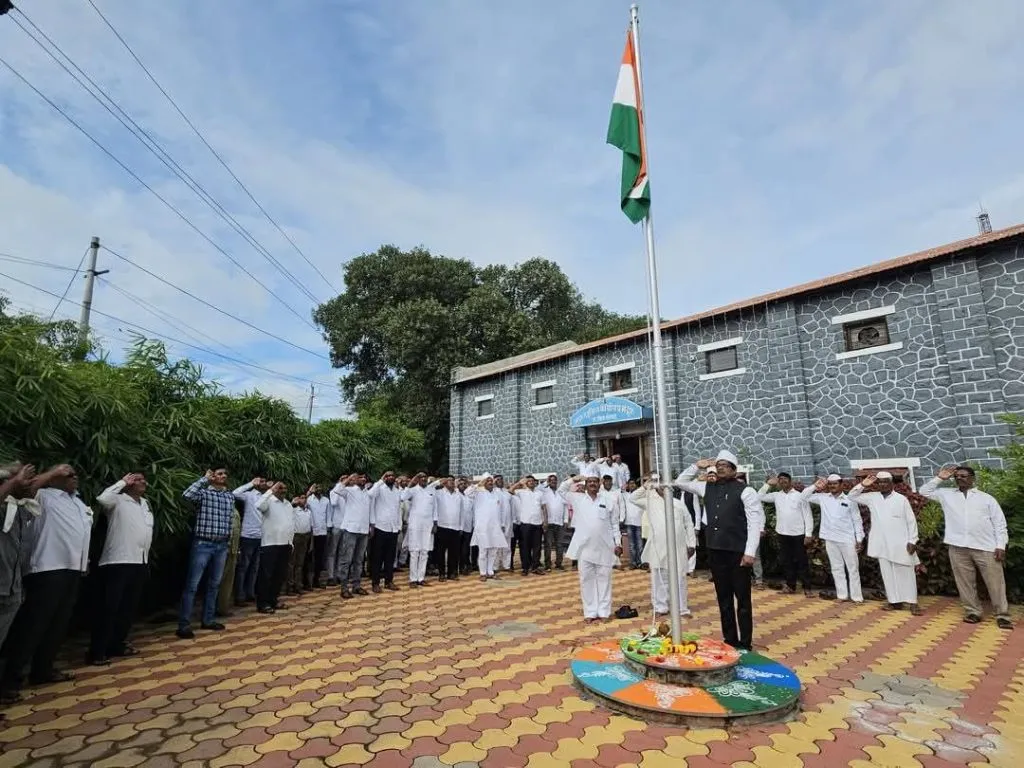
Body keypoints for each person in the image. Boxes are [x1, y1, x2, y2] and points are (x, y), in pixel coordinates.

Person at [1, 464, 91, 693]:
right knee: (34, 625)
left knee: (58, 624)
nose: (74, 477)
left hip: (72, 568)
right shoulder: (44, 495)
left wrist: (83, 561)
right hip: (47, 568)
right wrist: (52, 473)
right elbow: (26, 487)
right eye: (68, 475)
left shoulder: (78, 503)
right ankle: (12, 677)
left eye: (75, 475)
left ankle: (43, 669)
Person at [674, 451, 764, 650]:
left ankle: (745, 642)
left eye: (725, 465)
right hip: (716, 551)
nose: (721, 467)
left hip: (737, 552)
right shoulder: (707, 487)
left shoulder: (746, 491)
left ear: (733, 469)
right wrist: (697, 466)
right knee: (723, 598)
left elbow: (754, 523)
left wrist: (750, 552)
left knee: (742, 599)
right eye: (719, 464)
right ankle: (730, 639)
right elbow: (679, 482)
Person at [919, 465, 1011, 629]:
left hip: (986, 547)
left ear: (972, 478)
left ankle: (1002, 615)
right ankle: (973, 612)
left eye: (964, 476)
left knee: (995, 582)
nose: (960, 478)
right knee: (965, 582)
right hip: (958, 547)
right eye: (957, 476)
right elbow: (924, 491)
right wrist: (940, 478)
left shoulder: (986, 498)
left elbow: (999, 524)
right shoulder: (947, 495)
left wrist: (1000, 545)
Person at [89, 472, 153, 666]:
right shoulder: (117, 500)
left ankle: (117, 644)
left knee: (128, 608)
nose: (142, 482)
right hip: (118, 561)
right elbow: (102, 498)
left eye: (143, 480)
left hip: (140, 560)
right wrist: (122, 482)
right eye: (137, 479)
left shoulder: (145, 504)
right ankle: (97, 651)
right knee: (109, 607)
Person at [848, 473, 922, 615]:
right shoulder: (872, 497)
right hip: (881, 543)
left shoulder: (901, 499)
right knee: (887, 574)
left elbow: (911, 521)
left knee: (906, 573)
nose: (882, 485)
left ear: (892, 483)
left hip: (901, 543)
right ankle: (894, 602)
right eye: (879, 483)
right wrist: (863, 484)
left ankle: (913, 603)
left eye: (885, 482)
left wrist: (913, 540)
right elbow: (852, 496)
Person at [0, 463, 41, 705]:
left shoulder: (23, 510)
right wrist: (13, 481)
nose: (30, 484)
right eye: (25, 480)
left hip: (13, 588)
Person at [561, 470, 621, 622]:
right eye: (589, 481)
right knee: (586, 580)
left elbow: (615, 524)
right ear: (585, 484)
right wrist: (574, 478)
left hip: (605, 547)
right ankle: (590, 612)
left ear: (599, 483)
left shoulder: (609, 500)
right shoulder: (577, 498)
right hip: (584, 548)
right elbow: (562, 490)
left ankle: (604, 612)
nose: (593, 484)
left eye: (595, 481)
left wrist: (618, 543)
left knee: (604, 580)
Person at [632, 480, 695, 617]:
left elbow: (688, 524)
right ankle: (661, 607)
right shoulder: (650, 502)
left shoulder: (678, 504)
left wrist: (691, 544)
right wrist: (645, 486)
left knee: (680, 578)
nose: (662, 488)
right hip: (658, 547)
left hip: (678, 547)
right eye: (659, 486)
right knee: (659, 577)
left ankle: (682, 609)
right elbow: (633, 498)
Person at [802, 474, 864, 602]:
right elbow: (803, 496)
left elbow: (857, 520)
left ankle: (857, 597)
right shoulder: (823, 498)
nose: (832, 486)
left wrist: (859, 538)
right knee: (836, 567)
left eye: (835, 484)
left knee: (852, 568)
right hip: (830, 538)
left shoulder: (850, 499)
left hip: (847, 539)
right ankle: (842, 595)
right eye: (830, 484)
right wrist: (815, 486)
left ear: (841, 485)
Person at [758, 472, 815, 596]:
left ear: (790, 481)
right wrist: (767, 484)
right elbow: (759, 496)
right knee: (786, 561)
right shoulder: (776, 495)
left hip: (798, 534)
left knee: (802, 561)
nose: (782, 481)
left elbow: (808, 515)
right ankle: (790, 586)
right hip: (782, 533)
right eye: (780, 480)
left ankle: (807, 588)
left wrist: (808, 534)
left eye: (785, 479)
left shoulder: (800, 496)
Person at [255, 481, 295, 614]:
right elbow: (258, 505)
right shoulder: (268, 501)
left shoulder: (288, 504)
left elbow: (291, 523)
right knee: (266, 575)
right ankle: (263, 603)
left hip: (286, 543)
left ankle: (273, 599)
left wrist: (291, 542)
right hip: (270, 543)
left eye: (284, 488)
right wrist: (269, 491)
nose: (282, 490)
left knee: (279, 574)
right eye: (279, 488)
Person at [335, 473, 372, 598]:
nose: (362, 479)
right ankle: (344, 588)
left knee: (359, 560)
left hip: (363, 530)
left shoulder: (367, 493)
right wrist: (348, 480)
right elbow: (337, 490)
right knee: (347, 559)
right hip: (350, 529)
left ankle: (356, 586)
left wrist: (371, 526)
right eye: (360, 477)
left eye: (364, 477)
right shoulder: (349, 491)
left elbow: (369, 511)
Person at [232, 476, 266, 606]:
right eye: (260, 481)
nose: (263, 483)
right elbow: (235, 493)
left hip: (262, 536)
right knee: (243, 567)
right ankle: (239, 595)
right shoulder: (249, 495)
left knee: (255, 567)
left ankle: (250, 593)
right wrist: (250, 483)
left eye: (264, 481)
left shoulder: (267, 497)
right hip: (248, 535)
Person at [468, 475, 507, 580]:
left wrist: (502, 524)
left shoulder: (497, 494)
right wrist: (478, 484)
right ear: (484, 482)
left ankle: (490, 571)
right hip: (482, 527)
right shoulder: (478, 492)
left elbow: (502, 510)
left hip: (495, 526)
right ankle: (482, 573)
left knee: (493, 550)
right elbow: (467, 493)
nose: (490, 482)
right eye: (487, 480)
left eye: (491, 480)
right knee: (483, 551)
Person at [368, 471, 401, 593]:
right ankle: (375, 583)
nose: (391, 477)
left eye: (393, 475)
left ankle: (389, 581)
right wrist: (380, 480)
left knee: (390, 557)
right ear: (384, 477)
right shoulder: (379, 488)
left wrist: (398, 526)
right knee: (377, 557)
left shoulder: (397, 491)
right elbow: (370, 494)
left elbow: (397, 509)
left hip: (393, 528)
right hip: (380, 527)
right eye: (388, 475)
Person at [402, 473, 437, 588]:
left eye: (425, 479)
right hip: (415, 524)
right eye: (421, 478)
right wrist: (412, 481)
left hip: (428, 525)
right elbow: (403, 497)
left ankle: (421, 578)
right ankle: (413, 579)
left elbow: (435, 508)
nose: (423, 480)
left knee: (424, 551)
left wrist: (435, 523)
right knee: (414, 551)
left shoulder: (431, 490)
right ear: (417, 480)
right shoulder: (413, 490)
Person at [508, 476, 545, 575]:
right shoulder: (521, 492)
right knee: (525, 547)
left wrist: (545, 521)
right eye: (529, 481)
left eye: (533, 481)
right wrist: (519, 483)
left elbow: (543, 507)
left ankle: (535, 567)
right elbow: (510, 490)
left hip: (538, 523)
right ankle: (525, 568)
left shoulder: (540, 493)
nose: (531, 482)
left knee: (537, 547)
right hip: (525, 524)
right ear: (526, 483)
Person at [433, 476, 463, 581]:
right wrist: (435, 522)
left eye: (452, 481)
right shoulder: (439, 493)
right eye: (448, 481)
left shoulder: (458, 495)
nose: (451, 482)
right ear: (445, 483)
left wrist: (461, 527)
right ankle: (442, 573)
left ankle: (452, 573)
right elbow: (435, 508)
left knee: (454, 552)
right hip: (442, 526)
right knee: (441, 552)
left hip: (455, 527)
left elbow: (461, 511)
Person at [217, 502, 241, 618]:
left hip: (233, 550)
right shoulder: (218, 509)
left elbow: (237, 530)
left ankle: (223, 607)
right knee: (217, 580)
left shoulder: (235, 510)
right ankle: (214, 609)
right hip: (222, 549)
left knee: (228, 581)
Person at [541, 474, 567, 571]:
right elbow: (542, 508)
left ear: (557, 482)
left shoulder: (561, 493)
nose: (553, 482)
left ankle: (558, 564)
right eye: (551, 480)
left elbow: (565, 507)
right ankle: (547, 565)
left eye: (555, 480)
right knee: (548, 545)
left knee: (559, 544)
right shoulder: (544, 492)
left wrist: (565, 520)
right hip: (549, 523)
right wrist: (544, 521)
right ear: (548, 482)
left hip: (559, 523)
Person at [305, 484, 330, 589]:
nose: (318, 489)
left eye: (320, 487)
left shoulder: (326, 501)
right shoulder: (309, 500)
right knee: (309, 557)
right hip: (312, 532)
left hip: (322, 532)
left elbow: (328, 515)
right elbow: (303, 507)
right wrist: (309, 492)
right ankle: (306, 581)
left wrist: (328, 528)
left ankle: (317, 579)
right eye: (316, 488)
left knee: (319, 557)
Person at [288, 494, 312, 595]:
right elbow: (288, 507)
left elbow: (311, 526)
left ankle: (298, 585)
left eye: (305, 498)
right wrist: (293, 503)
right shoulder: (293, 510)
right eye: (301, 498)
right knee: (291, 563)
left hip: (305, 537)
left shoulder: (308, 511)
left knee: (300, 563)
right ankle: (290, 586)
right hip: (296, 537)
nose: (304, 500)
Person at [325, 480, 346, 586]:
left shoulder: (348, 492)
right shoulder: (334, 492)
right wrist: (339, 486)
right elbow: (333, 503)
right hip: (336, 525)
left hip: (345, 527)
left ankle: (339, 575)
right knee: (332, 552)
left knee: (342, 552)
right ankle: (330, 576)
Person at [621, 479, 645, 569]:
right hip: (629, 522)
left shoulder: (641, 494)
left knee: (640, 544)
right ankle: (633, 562)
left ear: (636, 485)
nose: (632, 485)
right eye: (630, 484)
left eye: (633, 483)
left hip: (639, 522)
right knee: (631, 544)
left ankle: (640, 562)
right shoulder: (625, 495)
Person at [458, 478, 475, 575]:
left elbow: (472, 513)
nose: (463, 485)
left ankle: (465, 566)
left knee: (466, 549)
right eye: (461, 483)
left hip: (468, 527)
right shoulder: (456, 495)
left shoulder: (469, 498)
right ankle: (460, 567)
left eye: (464, 484)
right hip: (458, 527)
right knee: (458, 549)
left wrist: (473, 525)